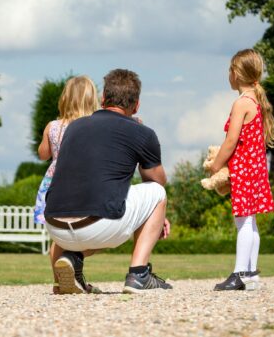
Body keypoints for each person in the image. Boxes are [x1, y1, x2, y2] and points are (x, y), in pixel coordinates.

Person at [44, 68, 172, 295]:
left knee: (101, 207)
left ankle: (73, 258)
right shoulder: (142, 133)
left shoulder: (75, 127)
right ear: (137, 105)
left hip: (55, 226)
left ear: (103, 99)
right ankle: (139, 274)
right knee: (156, 193)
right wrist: (158, 215)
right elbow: (156, 181)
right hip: (97, 225)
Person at [209, 49, 274, 291]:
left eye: (230, 70)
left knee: (243, 222)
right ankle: (250, 274)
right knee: (251, 222)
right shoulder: (255, 101)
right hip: (256, 169)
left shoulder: (241, 103)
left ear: (237, 74)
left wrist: (216, 165)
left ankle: (240, 273)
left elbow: (231, 140)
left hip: (244, 170)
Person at [34, 75, 100, 294]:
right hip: (81, 184)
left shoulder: (53, 126)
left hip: (54, 185)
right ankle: (72, 266)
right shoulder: (93, 127)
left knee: (57, 236)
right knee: (92, 233)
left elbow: (43, 154)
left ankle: (59, 282)